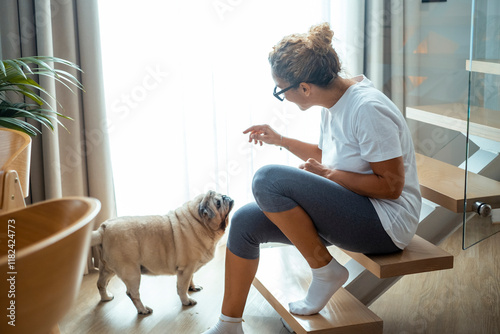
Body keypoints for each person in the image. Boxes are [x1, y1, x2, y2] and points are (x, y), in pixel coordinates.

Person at [202, 22, 422, 334]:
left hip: (386, 223)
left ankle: (325, 269)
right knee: (245, 222)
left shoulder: (367, 109)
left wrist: (329, 175)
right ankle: (229, 325)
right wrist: (279, 139)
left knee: (267, 179)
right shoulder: (334, 102)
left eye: (281, 90)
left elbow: (391, 186)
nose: (283, 96)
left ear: (304, 88)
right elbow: (328, 155)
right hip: (356, 208)